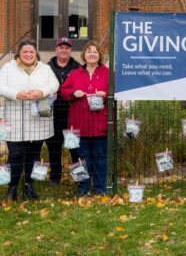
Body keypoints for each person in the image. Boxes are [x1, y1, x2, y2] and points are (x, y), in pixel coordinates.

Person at [0, 39, 59, 200]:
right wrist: (16, 94)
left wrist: (42, 92)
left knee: (33, 154)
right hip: (15, 119)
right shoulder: (8, 67)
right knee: (15, 155)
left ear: (36, 53)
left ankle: (29, 186)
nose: (28, 54)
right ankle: (12, 188)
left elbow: (55, 85)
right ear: (19, 53)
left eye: (31, 51)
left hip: (37, 120)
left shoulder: (44, 68)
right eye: (25, 51)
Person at [60, 41, 108, 196]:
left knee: (100, 158)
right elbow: (64, 91)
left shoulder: (108, 73)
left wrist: (105, 95)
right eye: (89, 51)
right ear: (84, 55)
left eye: (95, 51)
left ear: (100, 55)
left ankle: (100, 189)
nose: (92, 54)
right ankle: (83, 188)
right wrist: (74, 92)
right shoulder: (75, 74)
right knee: (81, 158)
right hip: (78, 125)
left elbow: (115, 92)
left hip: (100, 124)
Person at [46, 37, 81, 187]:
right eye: (61, 47)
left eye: (67, 47)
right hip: (52, 114)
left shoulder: (78, 67)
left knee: (74, 147)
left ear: (70, 50)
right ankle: (55, 177)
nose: (64, 50)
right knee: (54, 147)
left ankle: (79, 176)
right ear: (56, 49)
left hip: (72, 113)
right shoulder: (47, 67)